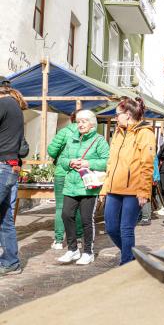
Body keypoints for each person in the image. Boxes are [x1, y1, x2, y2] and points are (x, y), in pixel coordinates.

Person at [100, 97, 155, 265]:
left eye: (117, 115)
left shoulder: (145, 133)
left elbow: (147, 164)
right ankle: (130, 255)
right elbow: (111, 163)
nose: (115, 118)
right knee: (110, 227)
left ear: (128, 114)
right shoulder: (118, 132)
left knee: (126, 229)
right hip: (114, 188)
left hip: (133, 189)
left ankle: (125, 264)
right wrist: (104, 188)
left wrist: (144, 191)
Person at [57, 110, 109, 265]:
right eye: (78, 121)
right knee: (66, 215)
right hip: (71, 184)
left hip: (88, 186)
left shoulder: (99, 140)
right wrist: (70, 162)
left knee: (86, 219)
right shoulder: (72, 139)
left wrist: (88, 163)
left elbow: (107, 161)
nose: (80, 124)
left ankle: (88, 251)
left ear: (92, 123)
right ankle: (72, 250)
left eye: (84, 121)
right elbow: (62, 159)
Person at [0, 81, 26, 276]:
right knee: (5, 218)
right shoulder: (14, 106)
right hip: (9, 167)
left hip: (2, 166)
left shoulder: (5, 104)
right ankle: (11, 262)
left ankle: (11, 262)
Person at [47, 110, 84, 249]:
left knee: (60, 207)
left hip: (62, 173)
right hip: (80, 173)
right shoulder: (88, 133)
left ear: (72, 118)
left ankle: (58, 240)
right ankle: (79, 238)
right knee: (79, 207)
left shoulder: (64, 132)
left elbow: (51, 150)